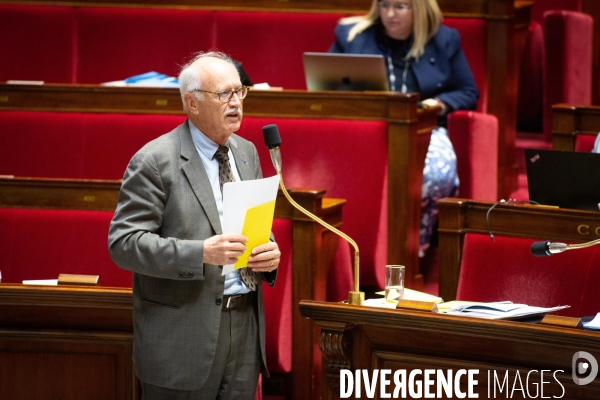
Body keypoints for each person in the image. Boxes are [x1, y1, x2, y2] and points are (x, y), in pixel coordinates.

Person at [108, 51, 280, 400]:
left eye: (240, 91)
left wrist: (269, 252)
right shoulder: (155, 161)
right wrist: (200, 253)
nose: (236, 103)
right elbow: (123, 243)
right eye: (224, 95)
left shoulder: (246, 151)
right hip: (182, 337)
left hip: (243, 327)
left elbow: (253, 223)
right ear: (192, 103)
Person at [329, 0, 479, 257]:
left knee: (437, 175)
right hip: (364, 131)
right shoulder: (352, 35)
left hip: (424, 130)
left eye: (400, 6)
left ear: (419, 8)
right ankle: (352, 251)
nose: (390, 14)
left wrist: (438, 103)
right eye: (384, 5)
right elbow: (325, 85)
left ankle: (412, 249)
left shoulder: (443, 40)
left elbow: (468, 91)